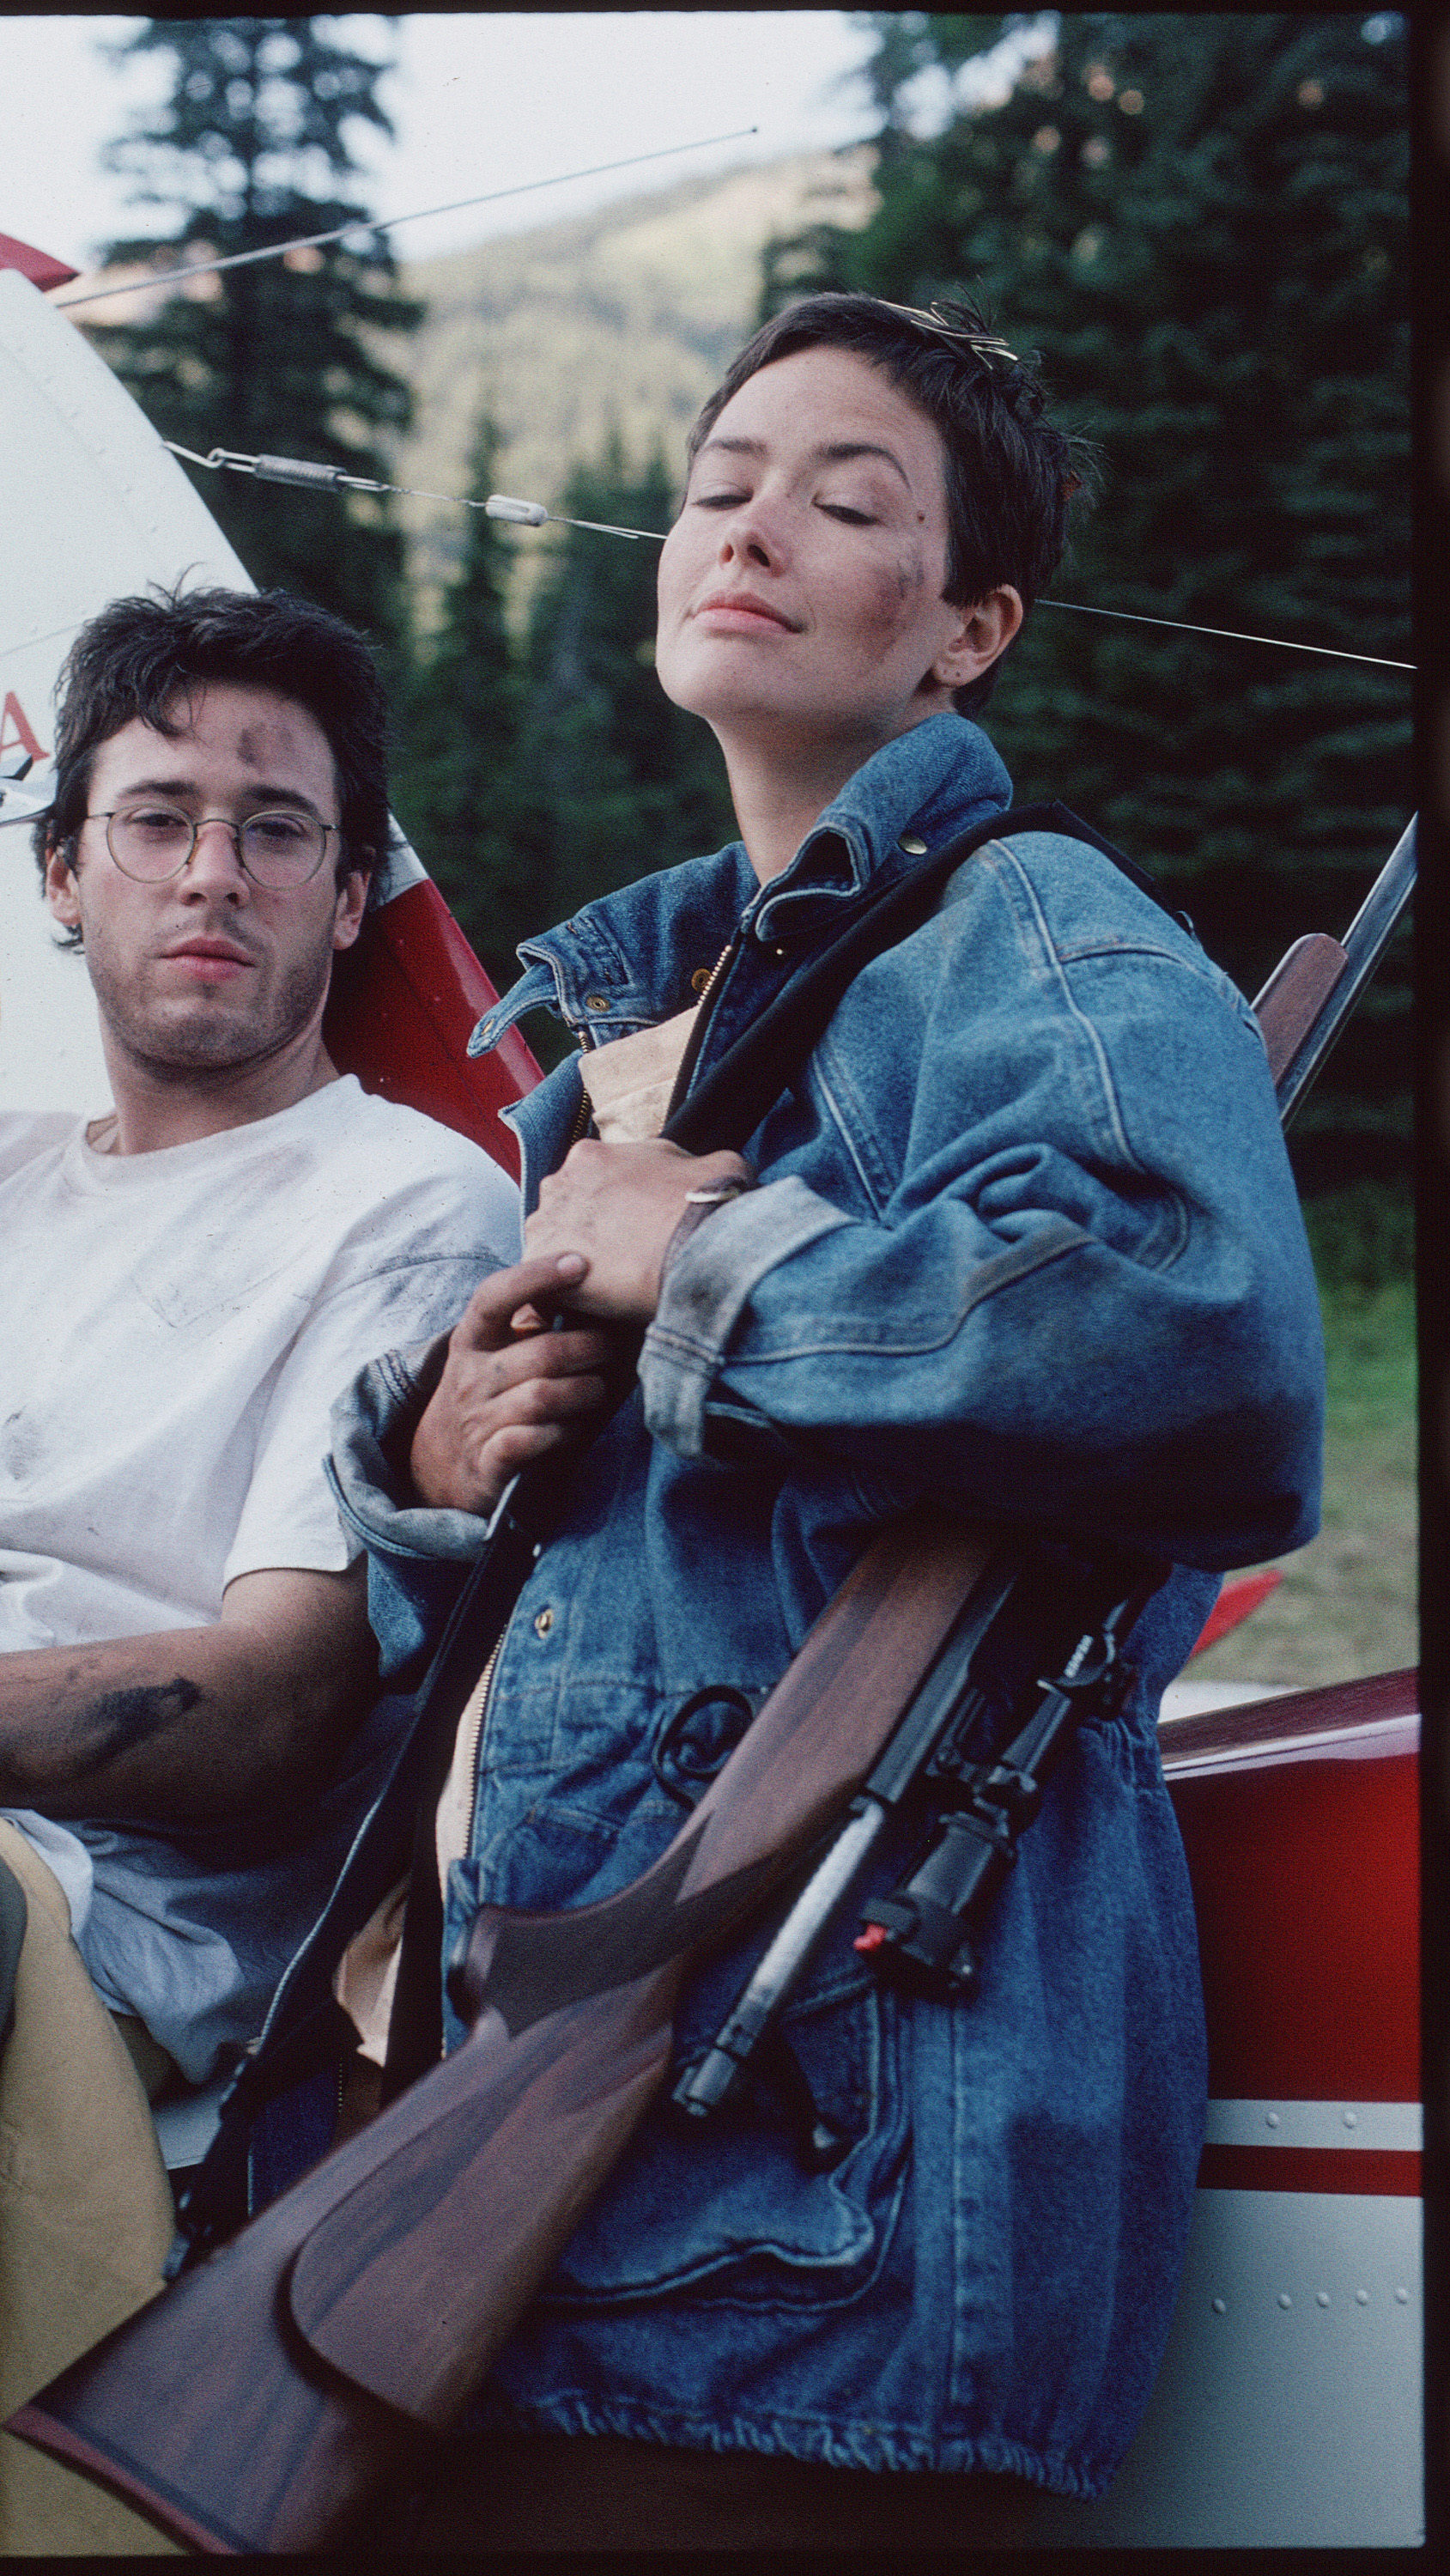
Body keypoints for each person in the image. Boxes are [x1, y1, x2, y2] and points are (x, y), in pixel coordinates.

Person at [323, 295, 1325, 2548]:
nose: (751, 519)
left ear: (967, 626)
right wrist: (434, 1459)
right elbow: (584, 1594)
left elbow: (1206, 1351)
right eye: (713, 482)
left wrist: (712, 1274)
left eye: (847, 497)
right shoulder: (614, 1037)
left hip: (839, 2171)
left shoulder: (1029, 933)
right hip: (542, 2133)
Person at [0, 583, 519, 2552]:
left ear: (346, 901)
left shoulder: (406, 1202)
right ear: (62, 873)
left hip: (1, 1862)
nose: (213, 871)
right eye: (156, 819)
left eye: (276, 829)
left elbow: (272, 1710)